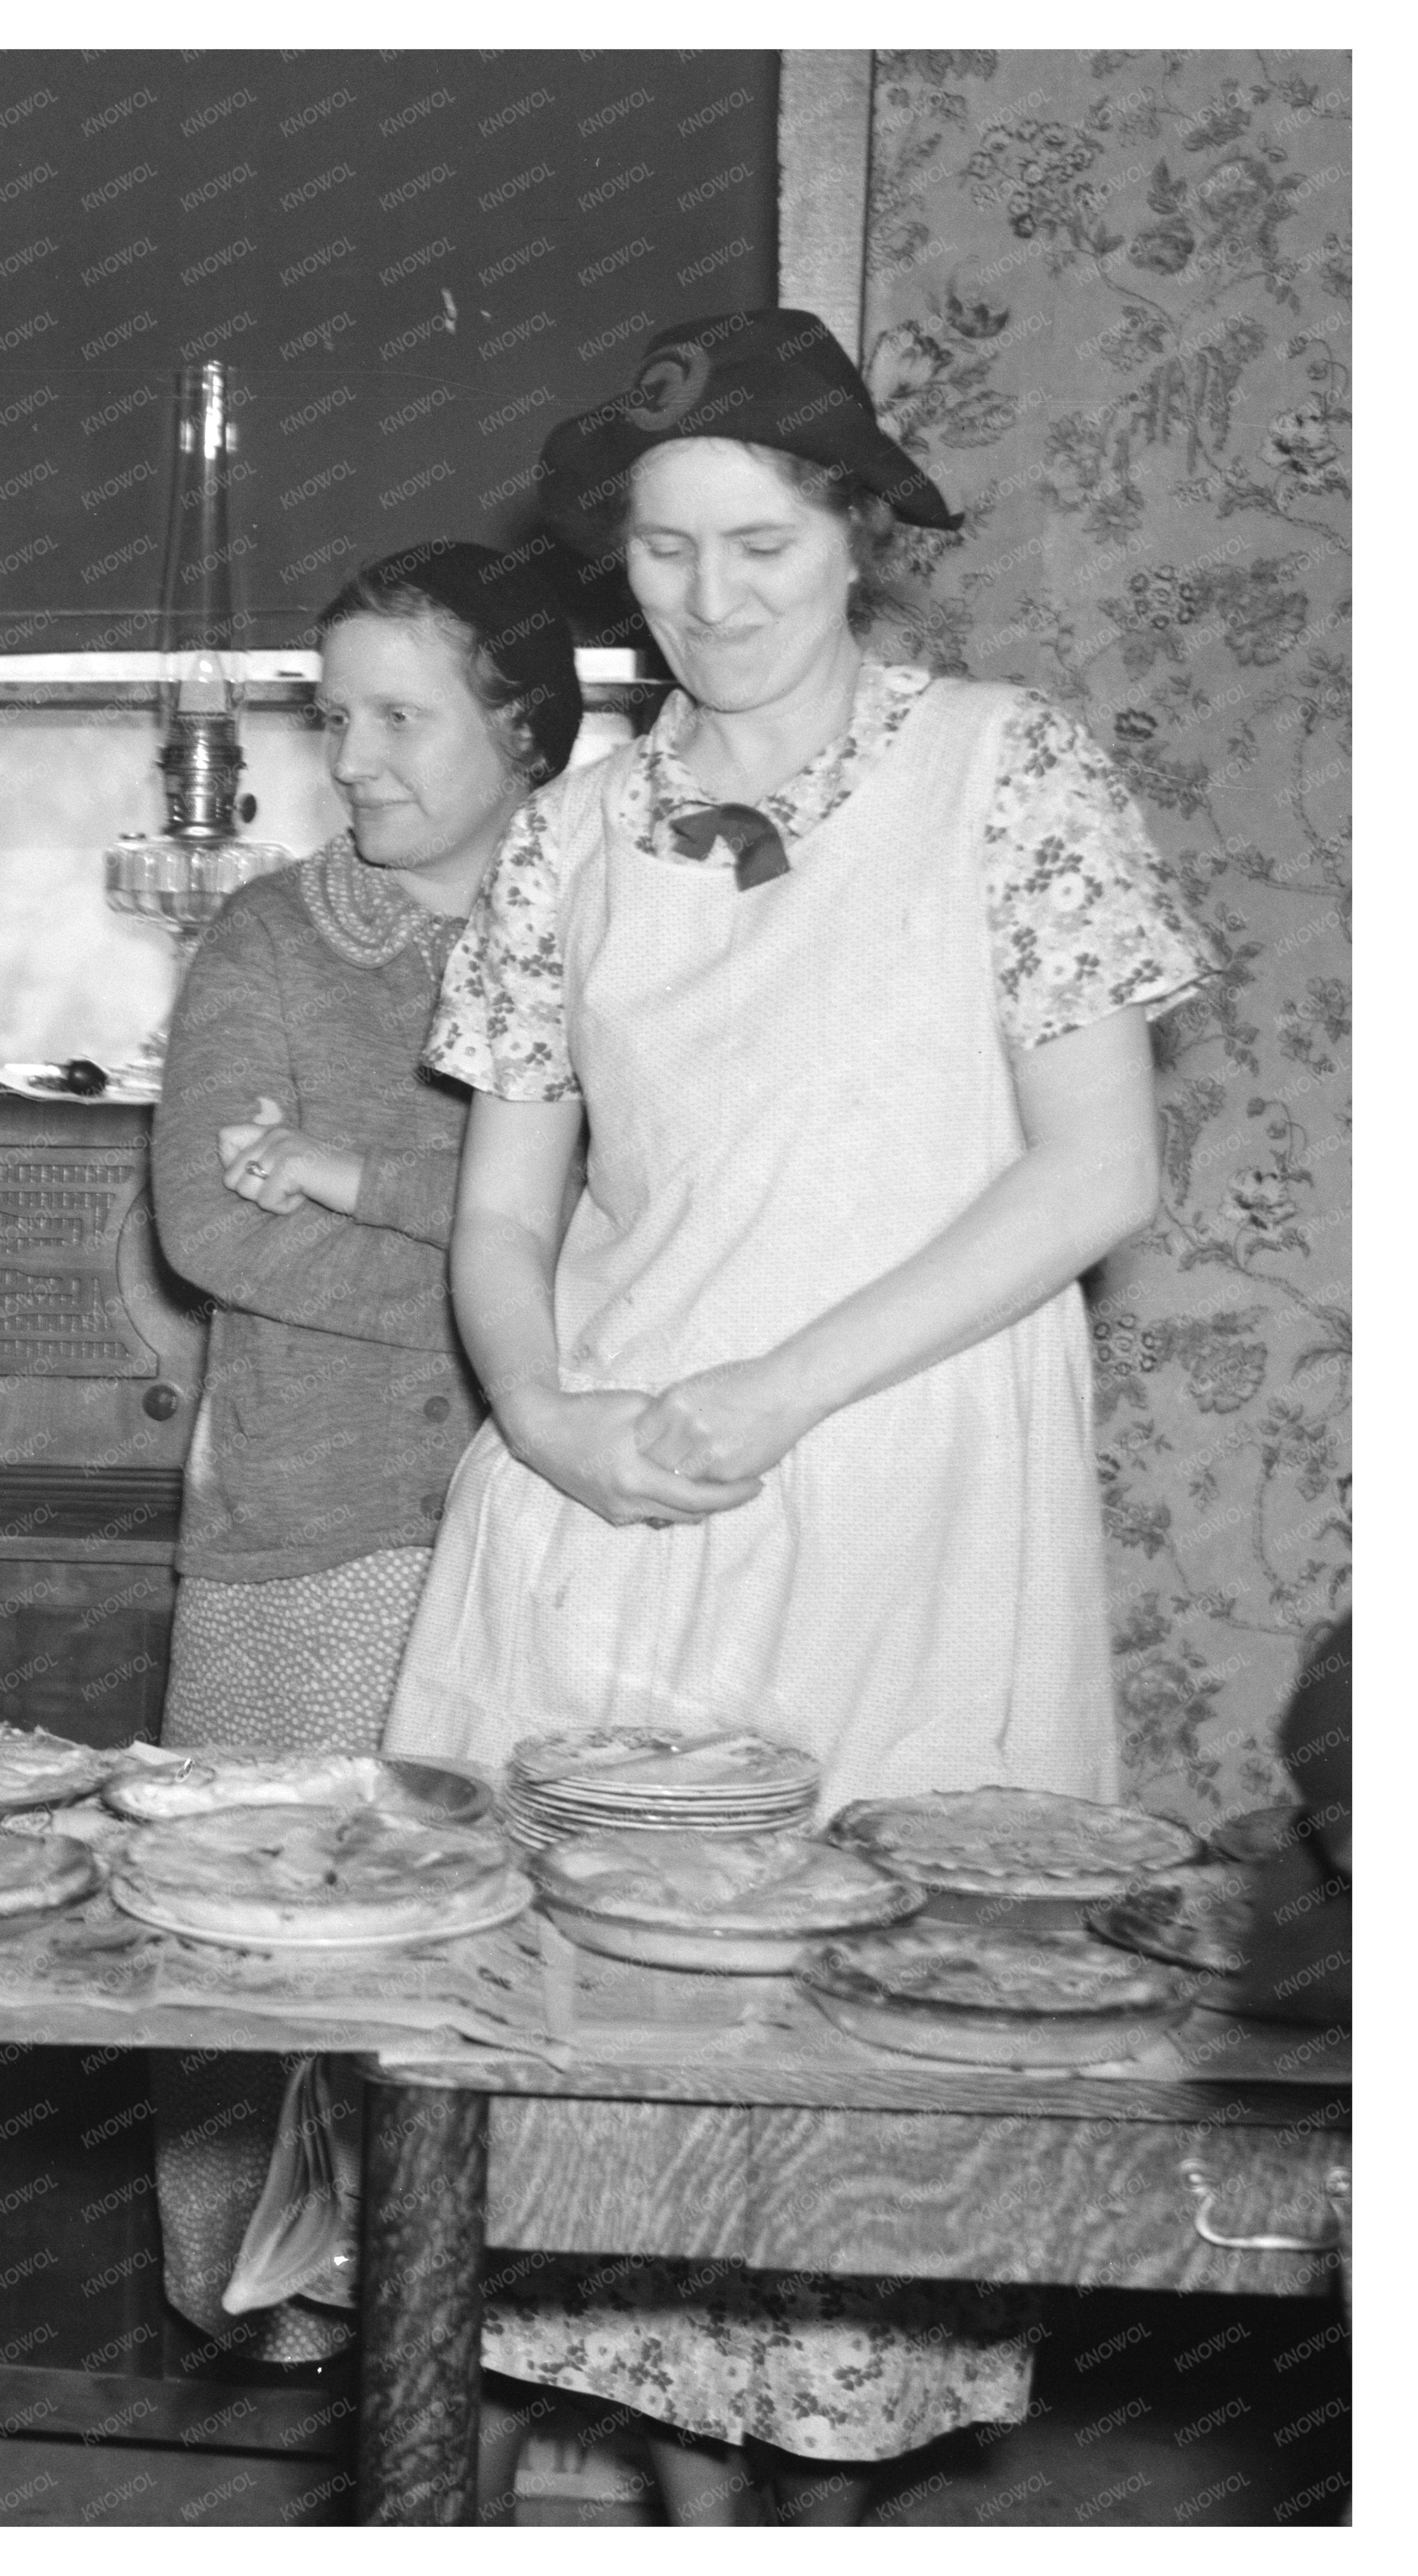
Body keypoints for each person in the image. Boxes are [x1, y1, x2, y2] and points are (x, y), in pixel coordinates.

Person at [385, 309, 1216, 2522]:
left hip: (903, 1485)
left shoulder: (1006, 773)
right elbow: (500, 1211)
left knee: (876, 2095)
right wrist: (552, 1417)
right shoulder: (567, 831)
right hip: (613, 1511)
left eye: (759, 545)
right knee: (609, 2110)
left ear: (858, 537)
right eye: (661, 555)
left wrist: (777, 1387)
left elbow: (1092, 1174)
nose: (708, 599)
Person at [140, 541, 581, 2367]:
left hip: (550, 1527)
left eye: (402, 717)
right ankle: (273, 2334)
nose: (355, 761)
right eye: (338, 719)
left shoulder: (606, 929)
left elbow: (653, 1210)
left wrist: (367, 1180)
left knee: (496, 1968)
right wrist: (511, 1271)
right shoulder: (266, 937)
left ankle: (488, 2339)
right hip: (310, 1531)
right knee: (257, 1958)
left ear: (526, 729)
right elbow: (216, 1231)